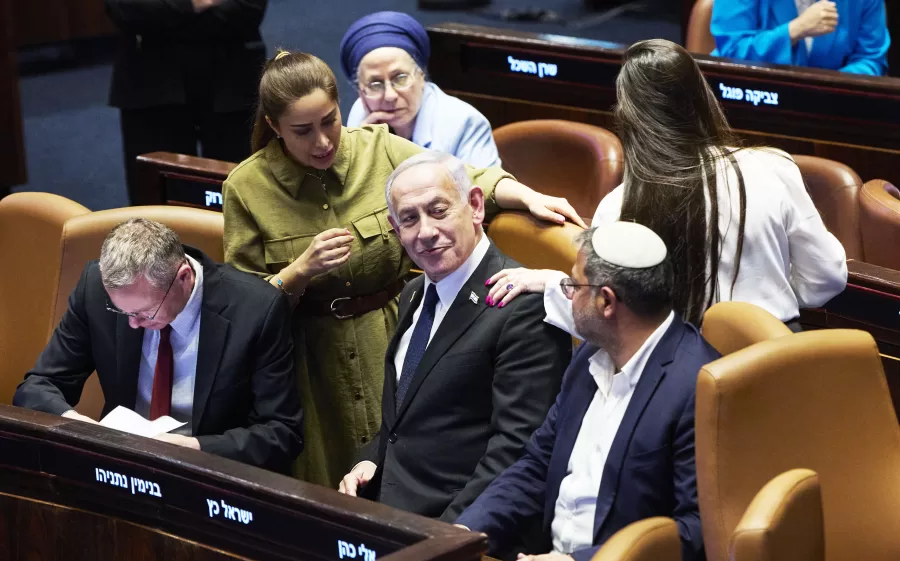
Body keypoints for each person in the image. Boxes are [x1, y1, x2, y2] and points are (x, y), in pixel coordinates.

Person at [222, 50, 584, 488]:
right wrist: (299, 272)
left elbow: (462, 181)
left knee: (402, 457)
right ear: (275, 126)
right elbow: (241, 306)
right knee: (328, 482)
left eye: (330, 121)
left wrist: (526, 196)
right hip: (311, 362)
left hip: (389, 334)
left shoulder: (378, 147)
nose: (322, 142)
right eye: (303, 131)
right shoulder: (247, 187)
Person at [485, 39, 847, 332]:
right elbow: (826, 278)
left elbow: (604, 318)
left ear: (628, 117)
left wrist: (553, 284)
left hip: (675, 378)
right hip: (777, 361)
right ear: (702, 98)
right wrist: (766, 302)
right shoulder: (774, 168)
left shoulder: (618, 207)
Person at [456, 222, 718, 561]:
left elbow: (699, 529)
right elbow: (537, 464)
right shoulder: (590, 357)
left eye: (574, 286)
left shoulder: (698, 386)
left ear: (606, 302)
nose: (568, 295)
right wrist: (466, 532)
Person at [337, 151, 571, 522]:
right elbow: (409, 417)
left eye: (438, 210)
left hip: (462, 525)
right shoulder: (414, 293)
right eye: (409, 219)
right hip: (392, 512)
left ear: (475, 206)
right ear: (395, 229)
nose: (426, 232)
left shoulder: (522, 306)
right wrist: (370, 460)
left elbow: (517, 451)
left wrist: (447, 535)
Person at [13, 218, 302, 474]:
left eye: (145, 312)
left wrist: (194, 448)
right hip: (119, 469)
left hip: (209, 475)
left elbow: (281, 433)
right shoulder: (95, 289)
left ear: (184, 277)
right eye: (122, 311)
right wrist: (82, 429)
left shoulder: (256, 309)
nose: (133, 324)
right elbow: (37, 387)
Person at [105, 0, 267, 204]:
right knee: (156, 200)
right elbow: (125, 9)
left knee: (243, 195)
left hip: (231, 77)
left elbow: (249, 9)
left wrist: (165, 21)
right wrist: (192, 5)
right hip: (150, 83)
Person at [340, 11, 500, 168]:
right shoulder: (361, 115)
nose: (390, 95)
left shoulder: (466, 123)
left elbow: (485, 186)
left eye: (400, 78)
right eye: (375, 84)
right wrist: (363, 154)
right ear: (360, 91)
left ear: (421, 75)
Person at [711, 0, 890, 76]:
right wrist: (795, 30)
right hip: (749, 103)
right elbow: (732, 51)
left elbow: (870, 59)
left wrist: (829, 91)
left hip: (831, 112)